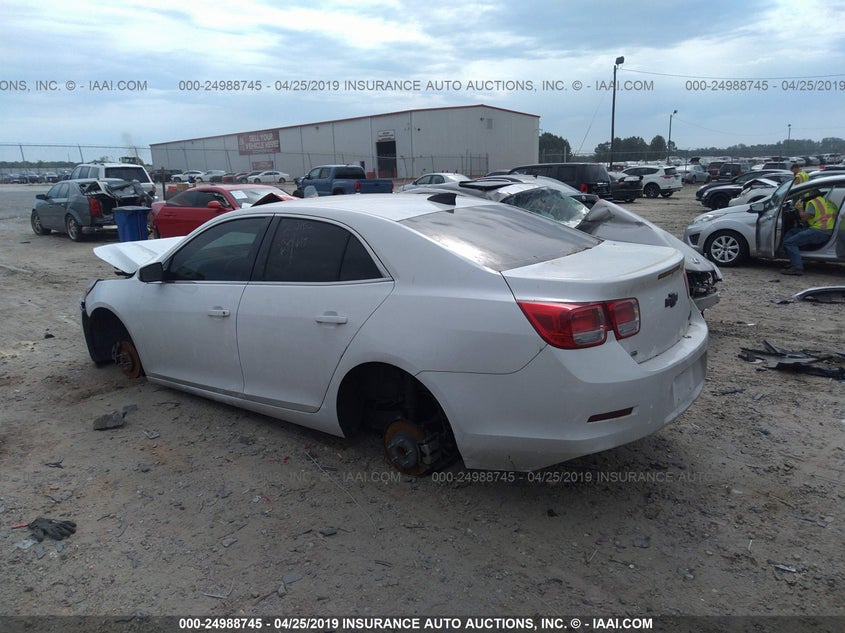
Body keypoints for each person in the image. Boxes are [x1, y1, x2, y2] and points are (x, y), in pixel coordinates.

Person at [781, 189, 838, 275]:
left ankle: (797, 267)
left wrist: (800, 209)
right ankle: (792, 258)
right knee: (793, 231)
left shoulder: (813, 202)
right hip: (828, 230)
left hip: (819, 231)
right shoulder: (828, 202)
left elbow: (804, 218)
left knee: (789, 243)